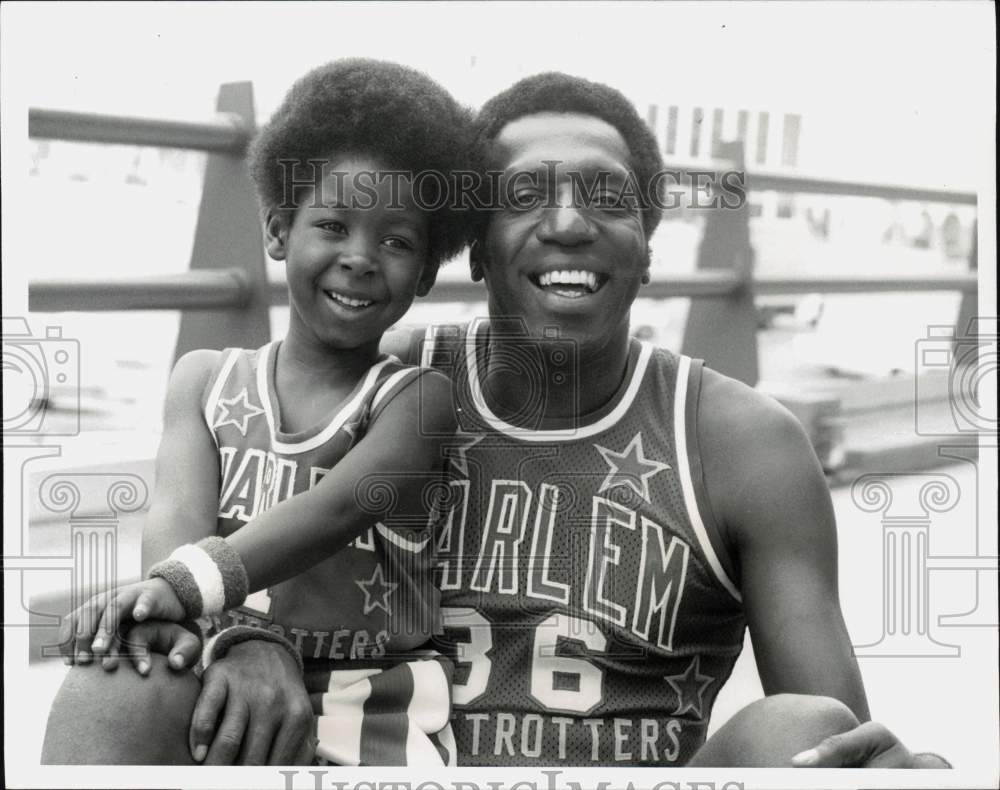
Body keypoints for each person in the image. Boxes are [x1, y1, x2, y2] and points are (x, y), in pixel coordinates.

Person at [43, 71, 949, 769]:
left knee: (804, 726)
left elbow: (836, 738)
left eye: (606, 198)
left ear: (647, 246)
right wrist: (245, 636)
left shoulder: (742, 443)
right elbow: (258, 524)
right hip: (378, 765)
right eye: (524, 196)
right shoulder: (384, 384)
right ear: (474, 251)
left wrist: (892, 770)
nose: (568, 224)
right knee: (120, 680)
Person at [44, 58, 473, 766]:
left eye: (396, 241)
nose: (360, 258)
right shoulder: (205, 381)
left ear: (426, 272)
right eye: (332, 224)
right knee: (115, 670)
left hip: (365, 709)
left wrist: (178, 588)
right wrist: (167, 610)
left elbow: (335, 510)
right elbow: (176, 522)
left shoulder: (413, 399)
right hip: (223, 661)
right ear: (278, 230)